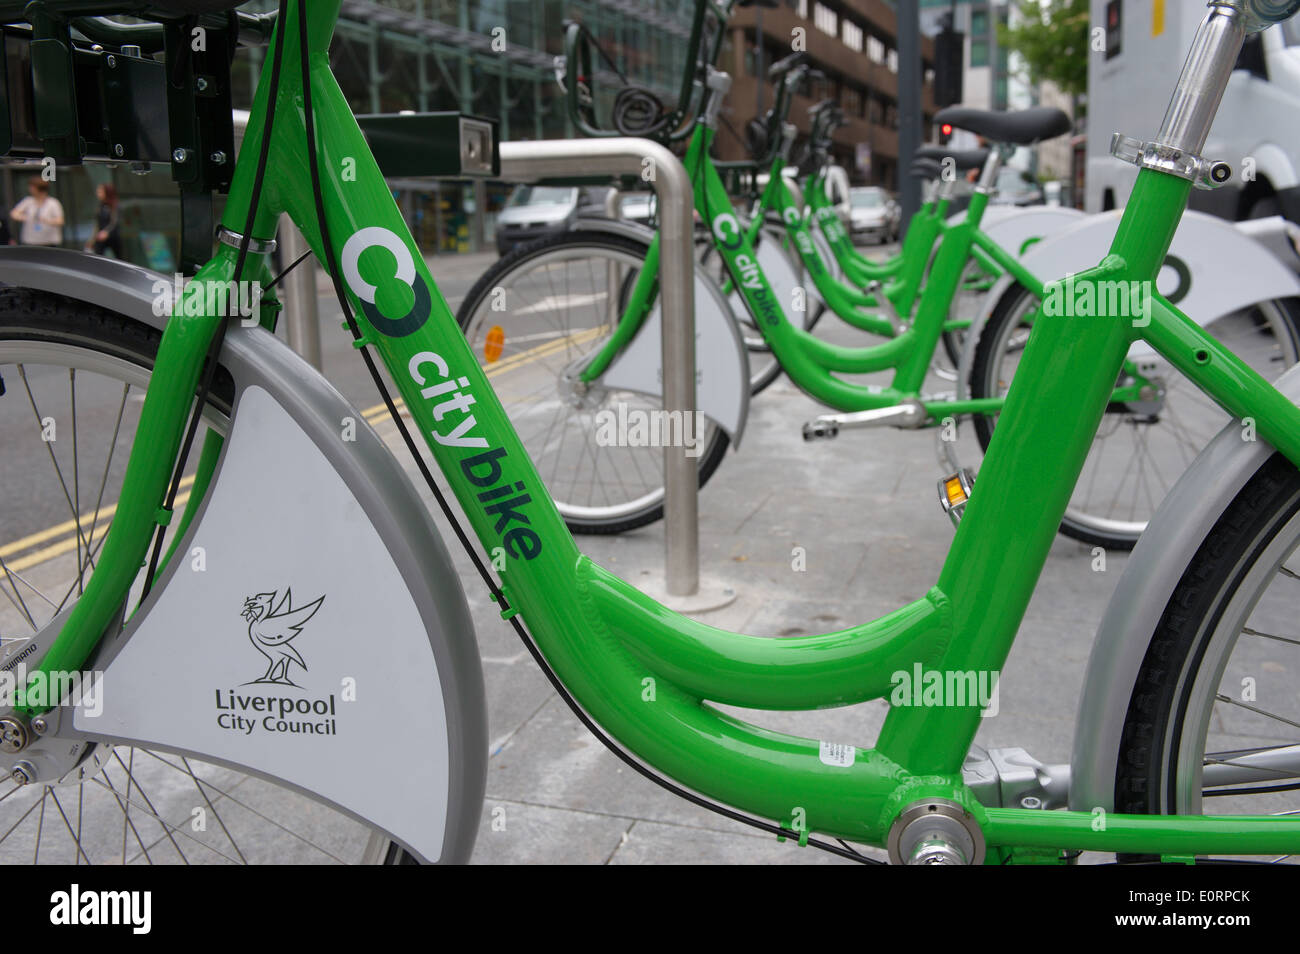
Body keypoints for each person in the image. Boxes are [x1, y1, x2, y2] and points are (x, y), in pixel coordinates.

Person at [10, 178, 65, 246]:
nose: (30, 189)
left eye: (32, 187)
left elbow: (60, 221)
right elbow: (14, 214)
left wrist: (46, 220)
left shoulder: (53, 203)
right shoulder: (28, 201)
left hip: (49, 241)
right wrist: (26, 217)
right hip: (30, 241)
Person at [86, 182, 123, 258]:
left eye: (100, 191)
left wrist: (107, 232)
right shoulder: (101, 205)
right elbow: (97, 224)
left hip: (113, 237)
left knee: (120, 259)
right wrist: (92, 240)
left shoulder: (115, 205)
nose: (98, 193)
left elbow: (115, 221)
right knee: (98, 258)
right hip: (100, 237)